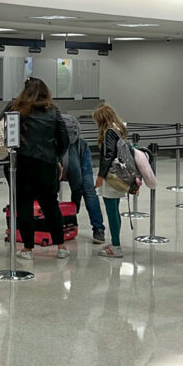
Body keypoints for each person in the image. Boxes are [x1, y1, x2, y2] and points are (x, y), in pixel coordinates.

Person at [6, 78, 69, 260]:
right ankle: (61, 246)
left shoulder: (17, 109)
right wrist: (54, 155)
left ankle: (27, 248)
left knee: (24, 206)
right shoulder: (54, 111)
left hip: (23, 164)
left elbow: (2, 129)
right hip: (47, 165)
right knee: (51, 206)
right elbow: (64, 139)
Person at [61, 113, 106, 243]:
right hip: (65, 164)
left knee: (88, 191)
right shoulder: (72, 142)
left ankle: (98, 228)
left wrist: (75, 204)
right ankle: (98, 229)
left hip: (79, 161)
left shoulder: (80, 145)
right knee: (89, 192)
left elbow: (77, 181)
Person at [93, 104, 128, 258]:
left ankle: (116, 246)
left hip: (111, 176)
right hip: (120, 174)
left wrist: (100, 176)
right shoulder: (119, 129)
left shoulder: (108, 132)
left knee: (111, 211)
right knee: (115, 209)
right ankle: (115, 242)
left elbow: (108, 155)